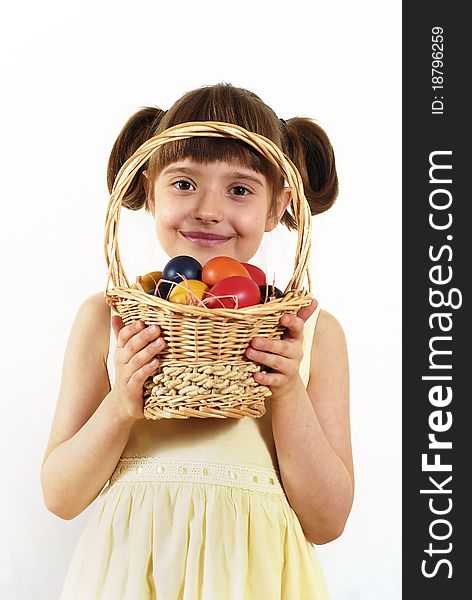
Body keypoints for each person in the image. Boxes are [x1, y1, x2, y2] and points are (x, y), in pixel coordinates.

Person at [41, 82, 354, 599]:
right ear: (148, 187)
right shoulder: (108, 318)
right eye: (184, 183)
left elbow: (327, 520)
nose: (208, 209)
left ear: (279, 207)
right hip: (131, 576)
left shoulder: (310, 333)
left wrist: (288, 391)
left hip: (253, 579)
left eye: (240, 189)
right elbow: (61, 495)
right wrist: (123, 402)